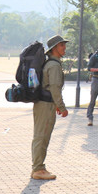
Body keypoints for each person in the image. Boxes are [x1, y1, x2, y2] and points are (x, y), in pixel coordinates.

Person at [31, 35, 69, 180]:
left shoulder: (52, 63)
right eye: (61, 45)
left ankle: (38, 167)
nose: (64, 48)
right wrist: (61, 106)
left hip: (45, 104)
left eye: (64, 45)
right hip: (46, 105)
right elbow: (54, 88)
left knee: (41, 136)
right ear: (54, 48)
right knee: (42, 136)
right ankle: (38, 169)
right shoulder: (53, 65)